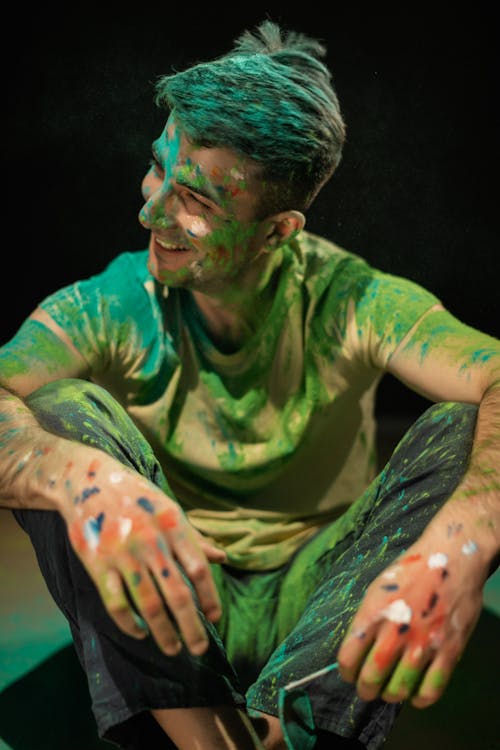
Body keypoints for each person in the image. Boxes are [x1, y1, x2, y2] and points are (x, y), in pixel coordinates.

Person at [0, 19, 498, 750]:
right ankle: (203, 733)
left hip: (316, 611)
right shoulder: (114, 301)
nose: (150, 209)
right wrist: (71, 476)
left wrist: (464, 544)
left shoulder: (354, 299)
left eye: (196, 199)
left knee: (464, 428)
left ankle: (290, 726)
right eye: (157, 166)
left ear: (277, 231)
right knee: (55, 411)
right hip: (175, 595)